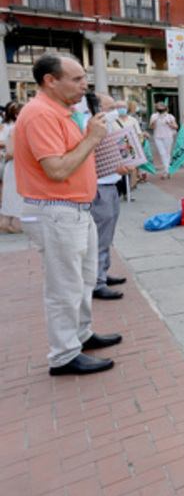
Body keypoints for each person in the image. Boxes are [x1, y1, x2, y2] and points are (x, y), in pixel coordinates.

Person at [14, 52, 123, 376]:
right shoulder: (40, 114)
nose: (83, 85)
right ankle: (63, 355)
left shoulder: (62, 112)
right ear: (50, 80)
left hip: (75, 208)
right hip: (56, 209)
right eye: (76, 79)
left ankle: (81, 335)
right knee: (64, 286)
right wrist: (92, 137)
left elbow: (75, 159)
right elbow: (57, 169)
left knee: (84, 279)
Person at [89, 94, 133, 301]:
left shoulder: (109, 126)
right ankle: (96, 282)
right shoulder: (91, 128)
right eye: (110, 107)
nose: (115, 111)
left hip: (112, 183)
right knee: (99, 236)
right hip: (99, 187)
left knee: (107, 235)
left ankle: (102, 273)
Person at [1, 102, 25, 234]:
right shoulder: (15, 129)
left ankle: (6, 221)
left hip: (14, 166)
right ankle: (6, 222)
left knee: (12, 192)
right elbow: (11, 153)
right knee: (14, 193)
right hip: (16, 166)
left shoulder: (12, 127)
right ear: (17, 114)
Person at [148, 102, 177, 179]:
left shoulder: (170, 116)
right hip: (158, 136)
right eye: (159, 106)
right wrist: (153, 123)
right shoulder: (154, 116)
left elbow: (175, 126)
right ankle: (167, 171)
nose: (160, 108)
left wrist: (169, 124)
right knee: (162, 153)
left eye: (162, 106)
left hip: (168, 136)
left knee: (167, 153)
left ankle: (167, 170)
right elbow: (150, 127)